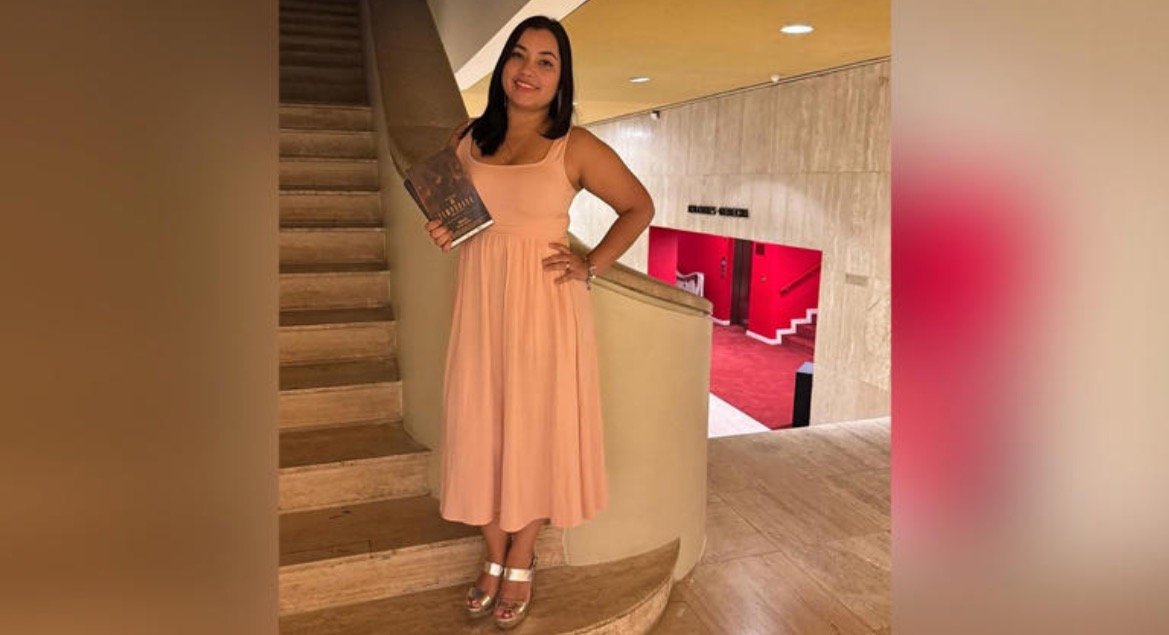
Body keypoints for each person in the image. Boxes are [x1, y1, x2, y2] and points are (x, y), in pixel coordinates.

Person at [423, 15, 654, 630]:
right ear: (503, 67)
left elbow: (639, 205)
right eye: (519, 56)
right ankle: (492, 552)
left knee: (531, 427)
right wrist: (444, 230)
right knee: (480, 424)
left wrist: (592, 263)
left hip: (546, 309)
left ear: (561, 77)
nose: (528, 70)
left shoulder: (573, 146)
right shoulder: (464, 139)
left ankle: (520, 555)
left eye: (546, 61)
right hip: (479, 304)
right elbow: (455, 217)